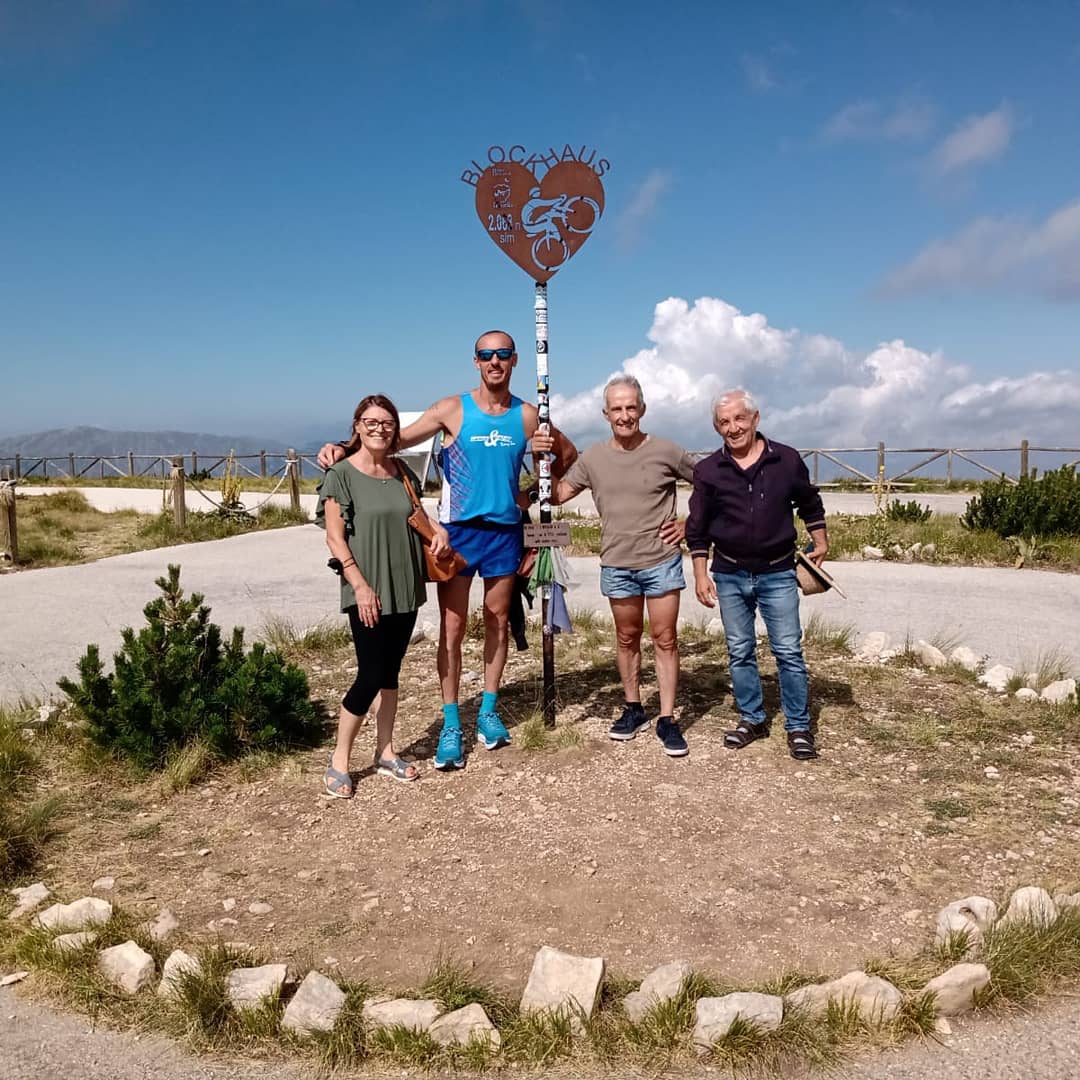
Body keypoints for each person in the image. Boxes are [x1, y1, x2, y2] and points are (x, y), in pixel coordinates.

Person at [318, 330, 576, 770]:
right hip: (456, 536)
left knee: (497, 620)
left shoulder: (529, 416)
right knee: (452, 630)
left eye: (503, 355)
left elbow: (568, 456)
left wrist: (530, 496)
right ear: (475, 362)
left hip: (505, 534)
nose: (494, 361)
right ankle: (452, 721)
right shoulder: (452, 409)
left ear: (514, 361)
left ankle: (489, 712)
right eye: (486, 355)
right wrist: (342, 446)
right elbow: (392, 440)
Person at [548, 374, 696, 757]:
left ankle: (667, 717)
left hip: (661, 561)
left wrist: (689, 524)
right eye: (617, 408)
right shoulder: (594, 457)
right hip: (617, 563)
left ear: (642, 409)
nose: (625, 415)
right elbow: (559, 494)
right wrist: (544, 457)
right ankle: (633, 708)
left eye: (631, 407)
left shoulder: (667, 451)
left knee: (665, 639)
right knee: (627, 638)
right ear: (605, 413)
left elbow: (709, 485)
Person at [316, 394, 451, 797]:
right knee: (370, 674)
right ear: (357, 425)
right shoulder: (339, 474)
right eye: (371, 422)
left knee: (391, 672)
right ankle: (340, 760)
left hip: (405, 585)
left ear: (395, 430)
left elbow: (418, 515)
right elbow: (334, 537)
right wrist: (358, 585)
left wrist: (438, 531)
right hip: (367, 589)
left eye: (386, 423)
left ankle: (386, 751)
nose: (379, 428)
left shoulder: (402, 470)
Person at [686, 389, 828, 761]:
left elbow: (809, 501)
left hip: (779, 571)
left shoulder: (786, 459)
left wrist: (820, 540)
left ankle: (798, 726)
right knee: (740, 650)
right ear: (717, 427)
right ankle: (753, 718)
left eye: (739, 419)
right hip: (729, 573)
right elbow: (697, 529)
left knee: (787, 651)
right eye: (724, 422)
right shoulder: (708, 471)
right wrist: (701, 575)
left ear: (755, 418)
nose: (733, 428)